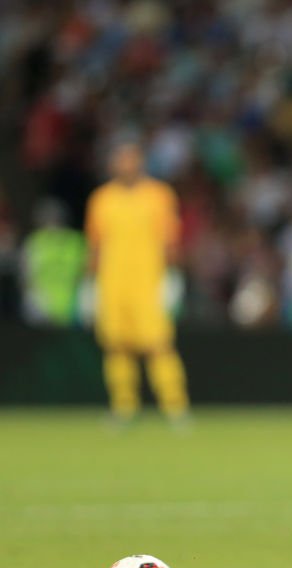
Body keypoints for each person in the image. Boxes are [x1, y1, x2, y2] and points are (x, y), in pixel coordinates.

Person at [86, 140, 190, 422]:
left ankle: (175, 406)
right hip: (113, 284)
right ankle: (124, 407)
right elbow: (96, 246)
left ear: (140, 161)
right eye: (120, 159)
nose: (125, 165)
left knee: (159, 345)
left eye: (130, 159)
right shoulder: (101, 199)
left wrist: (173, 277)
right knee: (117, 346)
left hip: (148, 282)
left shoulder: (158, 195)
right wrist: (90, 283)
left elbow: (170, 240)